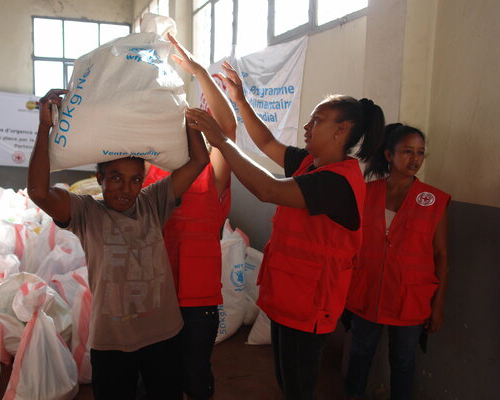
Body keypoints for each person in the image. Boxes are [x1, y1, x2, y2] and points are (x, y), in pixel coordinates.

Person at [185, 61, 385, 400]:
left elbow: (269, 189)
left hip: (310, 307)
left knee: (298, 388)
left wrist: (219, 140)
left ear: (342, 130)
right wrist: (240, 101)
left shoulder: (338, 181)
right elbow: (265, 143)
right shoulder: (310, 164)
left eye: (317, 120)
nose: (307, 126)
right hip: (287, 298)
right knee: (286, 379)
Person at [27, 88, 209, 400]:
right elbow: (39, 192)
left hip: (164, 334)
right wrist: (45, 127)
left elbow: (200, 159)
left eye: (136, 179)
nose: (126, 189)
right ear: (99, 178)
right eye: (115, 178)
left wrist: (185, 116)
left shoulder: (154, 202)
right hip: (112, 341)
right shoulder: (87, 212)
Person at [142, 34, 236, 400]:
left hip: (199, 304)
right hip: (154, 297)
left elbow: (227, 132)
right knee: (157, 378)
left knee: (196, 376)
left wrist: (198, 72)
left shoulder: (211, 176)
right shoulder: (150, 175)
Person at [344, 123, 450, 400]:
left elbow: (441, 254)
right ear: (389, 155)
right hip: (367, 292)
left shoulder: (434, 200)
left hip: (410, 298)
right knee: (359, 354)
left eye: (420, 152)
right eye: (407, 152)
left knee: (403, 362)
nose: (415, 158)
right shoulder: (366, 193)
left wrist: (437, 305)